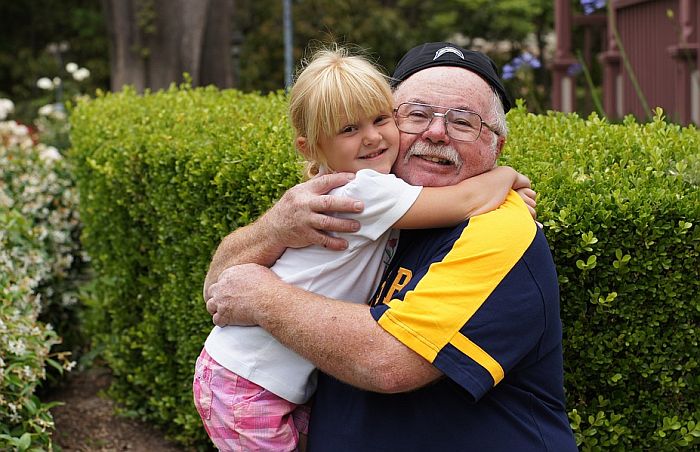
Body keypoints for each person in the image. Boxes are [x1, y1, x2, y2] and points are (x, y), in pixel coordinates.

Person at [204, 42, 578, 451]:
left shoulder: (498, 230)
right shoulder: (361, 201)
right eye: (416, 115)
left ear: (495, 146)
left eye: (463, 122)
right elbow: (218, 287)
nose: (435, 132)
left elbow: (389, 363)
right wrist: (274, 228)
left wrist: (261, 296)